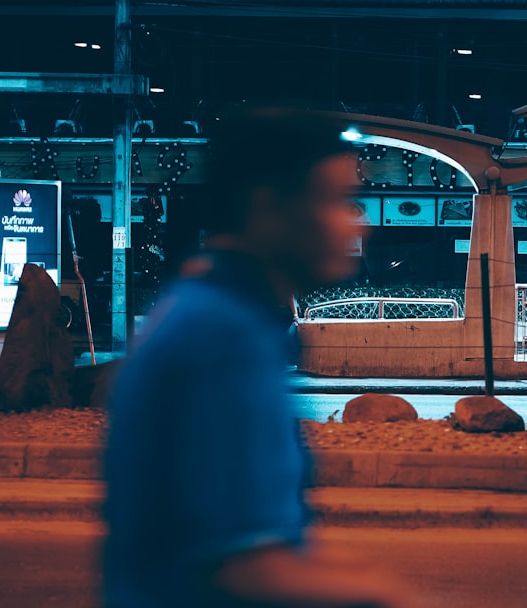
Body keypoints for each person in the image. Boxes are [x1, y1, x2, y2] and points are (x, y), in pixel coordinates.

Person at [103, 106, 414, 607]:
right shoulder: (224, 336)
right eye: (337, 201)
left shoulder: (207, 310)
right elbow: (247, 569)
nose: (359, 225)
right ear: (271, 208)